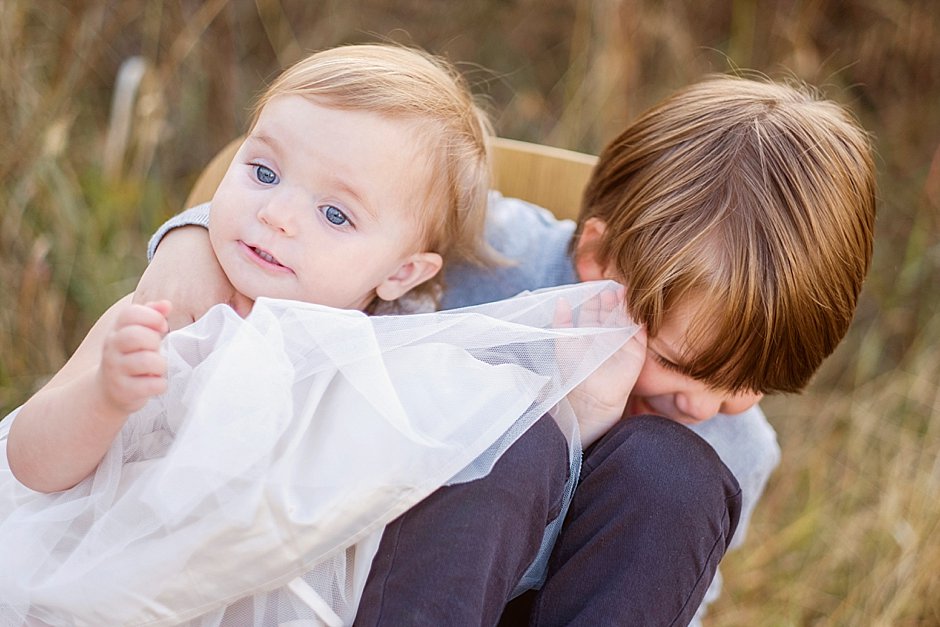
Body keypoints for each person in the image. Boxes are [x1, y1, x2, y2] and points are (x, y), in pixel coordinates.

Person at [139, 74, 876, 625]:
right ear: (597, 257)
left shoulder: (733, 448)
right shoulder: (492, 253)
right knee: (514, 430)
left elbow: (659, 595)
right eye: (687, 363)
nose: (711, 403)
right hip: (373, 574)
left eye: (750, 385)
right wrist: (193, 237)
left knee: (676, 475)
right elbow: (321, 215)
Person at [0, 44, 642, 625]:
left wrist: (585, 413)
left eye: (335, 214)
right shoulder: (171, 314)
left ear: (402, 273)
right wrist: (105, 398)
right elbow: (31, 464)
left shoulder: (397, 364)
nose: (276, 215)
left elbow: (482, 467)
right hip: (97, 588)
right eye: (263, 172)